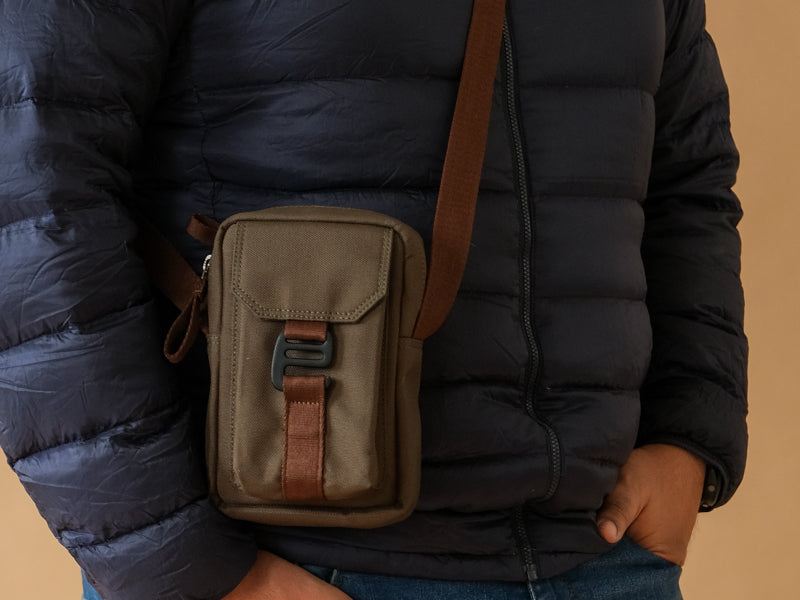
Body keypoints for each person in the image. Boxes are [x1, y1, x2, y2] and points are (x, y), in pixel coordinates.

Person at [0, 1, 747, 599]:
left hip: (604, 560)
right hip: (292, 560)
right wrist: (182, 567)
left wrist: (689, 437)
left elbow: (689, 182)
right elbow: (31, 199)